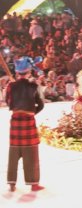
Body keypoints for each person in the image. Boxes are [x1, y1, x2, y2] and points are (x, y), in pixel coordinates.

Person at [6, 57, 45, 192]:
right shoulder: (33, 86)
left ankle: (12, 183)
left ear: (17, 72)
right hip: (29, 121)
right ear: (28, 72)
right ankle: (33, 184)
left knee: (14, 152)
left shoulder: (11, 86)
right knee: (31, 152)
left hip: (16, 120)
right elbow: (41, 104)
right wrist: (33, 112)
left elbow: (8, 102)